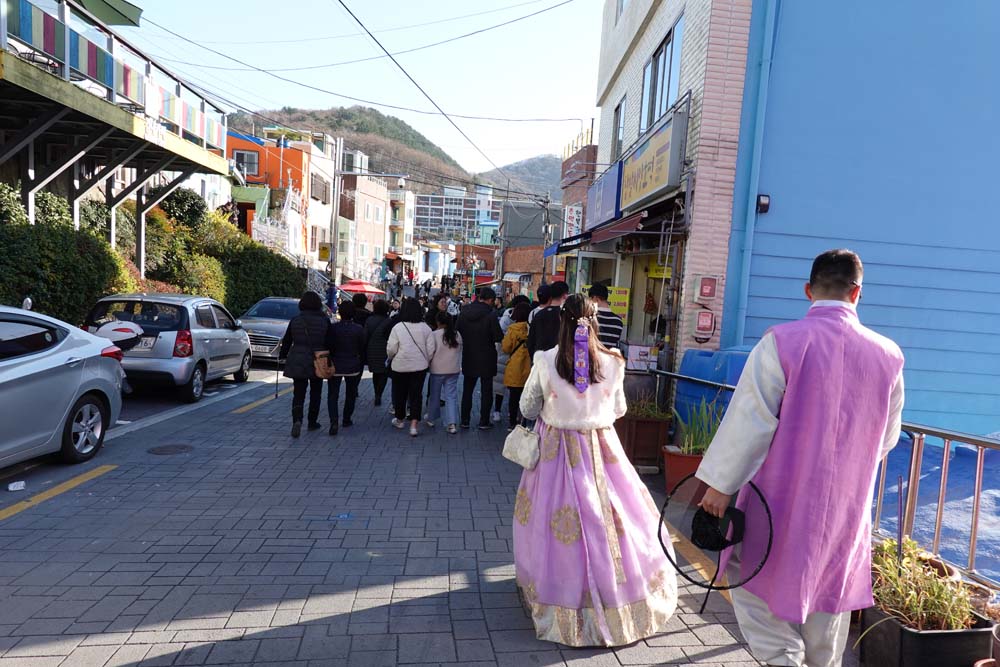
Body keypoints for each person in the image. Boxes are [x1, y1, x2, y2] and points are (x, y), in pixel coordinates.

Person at [695, 250, 904, 667]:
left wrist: (719, 486)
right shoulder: (889, 356)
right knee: (828, 604)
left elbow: (750, 422)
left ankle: (783, 658)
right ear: (857, 293)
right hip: (846, 507)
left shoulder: (782, 342)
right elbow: (886, 439)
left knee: (753, 584)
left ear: (808, 290)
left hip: (778, 503)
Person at [515, 293, 678, 646]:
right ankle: (618, 595)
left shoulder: (545, 360)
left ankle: (560, 594)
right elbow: (619, 409)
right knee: (612, 519)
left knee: (554, 523)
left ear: (562, 321)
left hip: (555, 452)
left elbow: (528, 406)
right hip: (602, 452)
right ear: (596, 321)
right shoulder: (615, 362)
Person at [278, 291, 331, 438]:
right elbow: (330, 340)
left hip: (298, 358)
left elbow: (287, 341)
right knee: (316, 392)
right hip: (318, 359)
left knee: (298, 393)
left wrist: (282, 356)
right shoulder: (324, 320)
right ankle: (312, 421)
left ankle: (297, 420)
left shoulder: (296, 320)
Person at [456, 287, 504, 430]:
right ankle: (484, 421)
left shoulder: (464, 311)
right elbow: (498, 337)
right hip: (487, 356)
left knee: (467, 390)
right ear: (490, 300)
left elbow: (457, 331)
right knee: (486, 391)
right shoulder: (491, 314)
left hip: (469, 354)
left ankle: (464, 420)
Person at [386, 298, 433, 437]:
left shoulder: (398, 327)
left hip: (400, 366)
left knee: (400, 394)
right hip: (420, 366)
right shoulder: (426, 328)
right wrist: (426, 360)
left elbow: (391, 349)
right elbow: (431, 349)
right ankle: (414, 425)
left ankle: (400, 420)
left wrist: (391, 357)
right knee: (416, 395)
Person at [424, 311, 462, 434]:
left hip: (437, 370)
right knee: (451, 396)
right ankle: (451, 424)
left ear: (438, 322)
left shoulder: (434, 334)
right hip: (453, 369)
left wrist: (427, 363)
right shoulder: (457, 334)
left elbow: (430, 352)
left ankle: (431, 418)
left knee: (434, 395)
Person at [501, 302, 531, 430]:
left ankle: (513, 423)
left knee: (514, 397)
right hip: (529, 366)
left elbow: (506, 348)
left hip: (515, 367)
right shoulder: (532, 328)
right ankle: (524, 421)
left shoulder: (512, 330)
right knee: (527, 396)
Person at [527, 280, 569, 357]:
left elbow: (530, 341)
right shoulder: (566, 315)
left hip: (540, 360)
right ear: (565, 296)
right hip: (559, 360)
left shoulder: (538, 314)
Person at [364, 300, 392, 406]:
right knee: (383, 373)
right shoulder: (389, 321)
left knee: (375, 373)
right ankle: (379, 393)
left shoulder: (369, 320)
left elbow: (365, 336)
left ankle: (376, 393)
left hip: (372, 349)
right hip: (385, 350)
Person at [589, 284, 624, 349]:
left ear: (596, 298)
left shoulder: (590, 318)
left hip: (593, 357)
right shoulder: (618, 321)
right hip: (610, 358)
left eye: (591, 299)